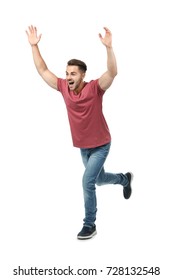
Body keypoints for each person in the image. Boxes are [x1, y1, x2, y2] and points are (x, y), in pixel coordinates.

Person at [26, 25, 133, 240]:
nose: (68, 77)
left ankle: (89, 224)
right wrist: (34, 46)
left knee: (87, 182)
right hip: (84, 147)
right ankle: (124, 179)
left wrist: (109, 48)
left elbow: (113, 72)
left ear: (83, 75)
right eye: (67, 73)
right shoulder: (64, 88)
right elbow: (43, 70)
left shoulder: (95, 88)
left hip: (102, 144)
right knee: (99, 179)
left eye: (73, 73)